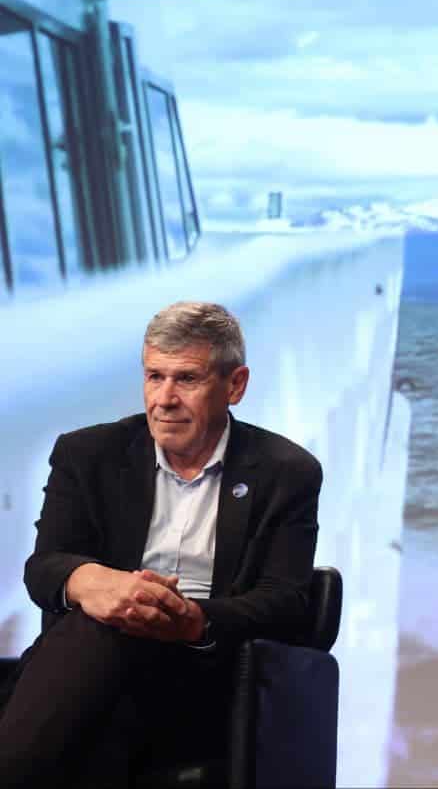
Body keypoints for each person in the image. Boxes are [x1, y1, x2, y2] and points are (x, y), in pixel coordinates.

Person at [0, 302, 322, 786]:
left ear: (235, 385)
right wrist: (96, 583)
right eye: (154, 377)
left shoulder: (285, 472)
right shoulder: (88, 454)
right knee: (102, 634)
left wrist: (196, 620)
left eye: (186, 379)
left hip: (204, 671)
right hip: (90, 664)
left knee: (95, 661)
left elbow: (288, 600)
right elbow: (44, 567)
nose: (164, 399)